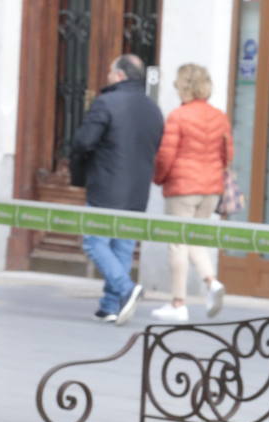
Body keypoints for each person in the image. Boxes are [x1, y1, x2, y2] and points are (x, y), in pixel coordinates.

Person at [70, 53, 163, 325]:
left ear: (120, 75)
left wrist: (81, 166)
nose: (108, 77)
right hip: (137, 190)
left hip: (106, 186)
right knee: (122, 247)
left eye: (111, 72)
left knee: (95, 242)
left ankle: (125, 288)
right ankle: (110, 306)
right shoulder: (152, 108)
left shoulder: (106, 103)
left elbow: (84, 142)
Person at [150, 63, 231, 321]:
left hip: (183, 187)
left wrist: (159, 178)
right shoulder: (219, 117)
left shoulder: (178, 116)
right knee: (195, 238)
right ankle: (212, 283)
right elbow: (227, 154)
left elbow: (166, 155)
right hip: (211, 188)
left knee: (178, 243)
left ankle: (178, 303)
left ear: (182, 86)